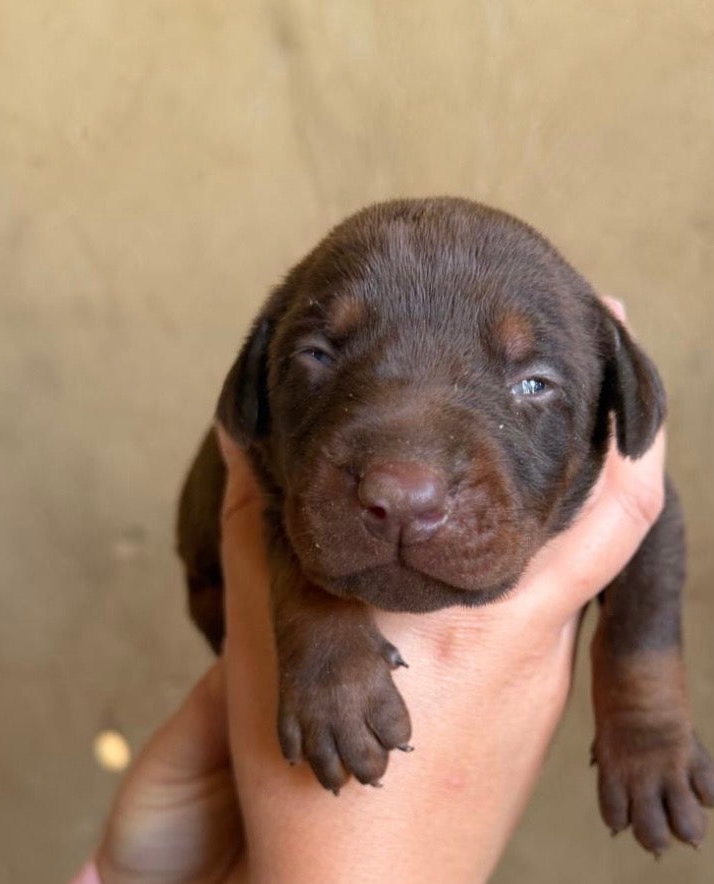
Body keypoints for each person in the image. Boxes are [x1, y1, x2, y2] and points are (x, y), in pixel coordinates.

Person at [76, 303, 668, 884]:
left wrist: (645, 710)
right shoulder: (258, 458)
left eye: (534, 382)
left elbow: (651, 519)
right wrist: (314, 621)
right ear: (254, 384)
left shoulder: (605, 459)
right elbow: (260, 497)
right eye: (319, 356)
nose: (406, 489)